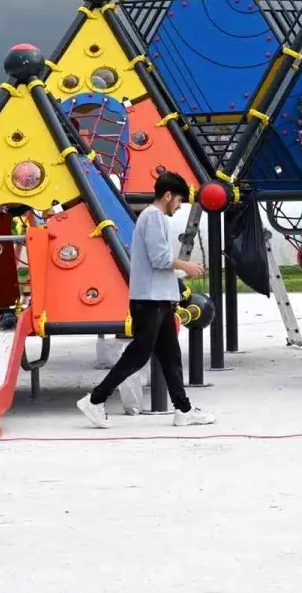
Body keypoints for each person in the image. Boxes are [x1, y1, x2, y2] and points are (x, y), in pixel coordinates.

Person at [76, 171, 216, 428]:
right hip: (149, 299)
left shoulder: (154, 218)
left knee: (170, 356)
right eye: (179, 201)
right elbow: (159, 259)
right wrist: (187, 265)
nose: (179, 206)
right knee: (139, 354)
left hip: (159, 298)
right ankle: (95, 400)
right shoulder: (154, 218)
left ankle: (183, 410)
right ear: (168, 195)